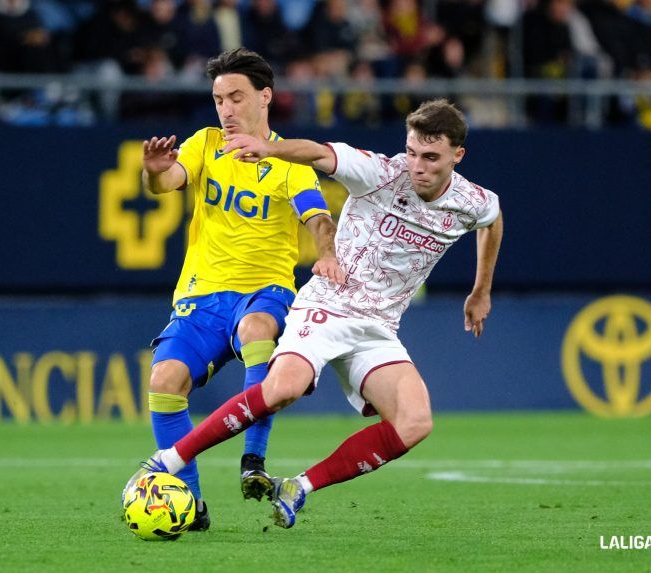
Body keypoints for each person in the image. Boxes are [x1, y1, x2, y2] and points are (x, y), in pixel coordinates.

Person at [137, 98, 503, 529]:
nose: (417, 166)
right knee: (283, 388)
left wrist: (481, 290)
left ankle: (299, 487)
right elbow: (318, 153)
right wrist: (269, 148)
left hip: (378, 327)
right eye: (412, 152)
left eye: (430, 157)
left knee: (415, 421)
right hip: (328, 305)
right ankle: (168, 460)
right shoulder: (380, 173)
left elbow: (492, 220)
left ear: (457, 155)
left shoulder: (472, 199)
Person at [137, 47, 342, 531]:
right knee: (164, 380)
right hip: (201, 297)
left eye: (235, 97)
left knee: (256, 330)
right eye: (218, 100)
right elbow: (167, 182)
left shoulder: (288, 161)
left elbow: (317, 217)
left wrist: (327, 254)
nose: (225, 109)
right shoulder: (206, 144)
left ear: (265, 97)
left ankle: (254, 460)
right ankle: (190, 505)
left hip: (264, 292)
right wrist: (153, 170)